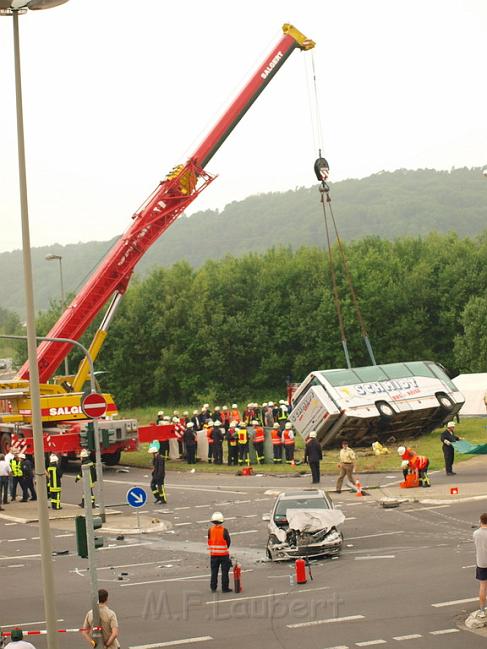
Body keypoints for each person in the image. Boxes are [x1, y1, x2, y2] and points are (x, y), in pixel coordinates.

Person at [208, 511, 232, 593]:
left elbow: (209, 541)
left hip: (214, 554)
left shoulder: (210, 530)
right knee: (225, 572)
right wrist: (224, 548)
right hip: (223, 555)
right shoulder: (224, 530)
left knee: (214, 572)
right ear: (221, 521)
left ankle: (213, 587)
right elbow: (228, 541)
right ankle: (225, 588)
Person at [474, 513, 487, 617]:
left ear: (480, 521)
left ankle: (482, 610)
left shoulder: (476, 533)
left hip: (481, 563)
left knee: (483, 586)